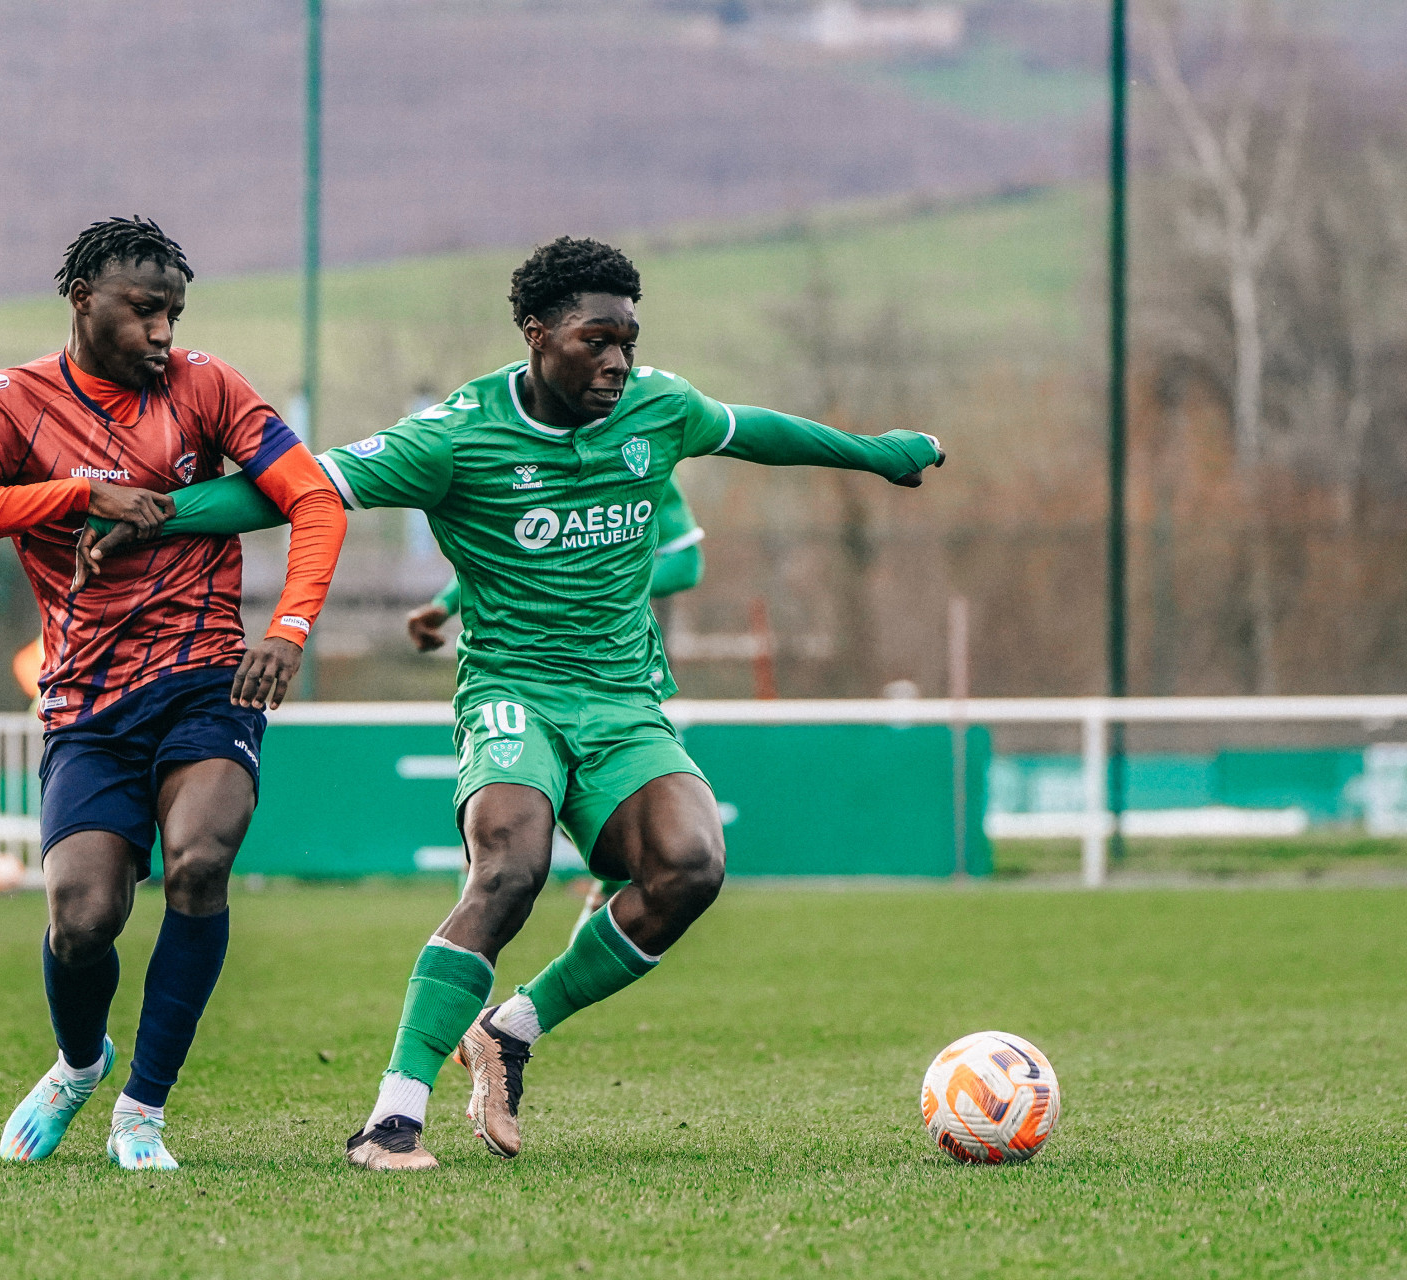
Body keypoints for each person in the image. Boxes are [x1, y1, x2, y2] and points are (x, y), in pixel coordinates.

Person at [83, 236, 941, 1170]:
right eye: (595, 339)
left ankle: (512, 1028)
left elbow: (757, 431)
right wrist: (153, 517)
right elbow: (297, 488)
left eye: (629, 339)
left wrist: (876, 455)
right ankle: (392, 1116)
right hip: (513, 695)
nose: (617, 360)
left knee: (689, 867)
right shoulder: (455, 437)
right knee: (511, 867)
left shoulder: (659, 407)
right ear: (537, 333)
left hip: (624, 702)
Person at [0, 216, 345, 1171]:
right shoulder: (11, 403)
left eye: (173, 314)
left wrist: (287, 630)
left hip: (206, 681)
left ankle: (141, 1110)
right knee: (82, 917)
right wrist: (74, 493)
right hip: (86, 705)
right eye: (143, 310)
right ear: (83, 302)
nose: (161, 334)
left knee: (198, 862)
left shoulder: (208, 387)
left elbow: (313, 498)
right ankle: (77, 1063)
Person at [404, 476, 705, 938]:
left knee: (645, 807)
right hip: (523, 676)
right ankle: (475, 935)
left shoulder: (640, 451)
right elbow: (513, 565)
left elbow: (686, 564)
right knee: (507, 834)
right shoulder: (513, 459)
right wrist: (444, 606)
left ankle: (606, 885)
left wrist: (599, 588)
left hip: (614, 671)